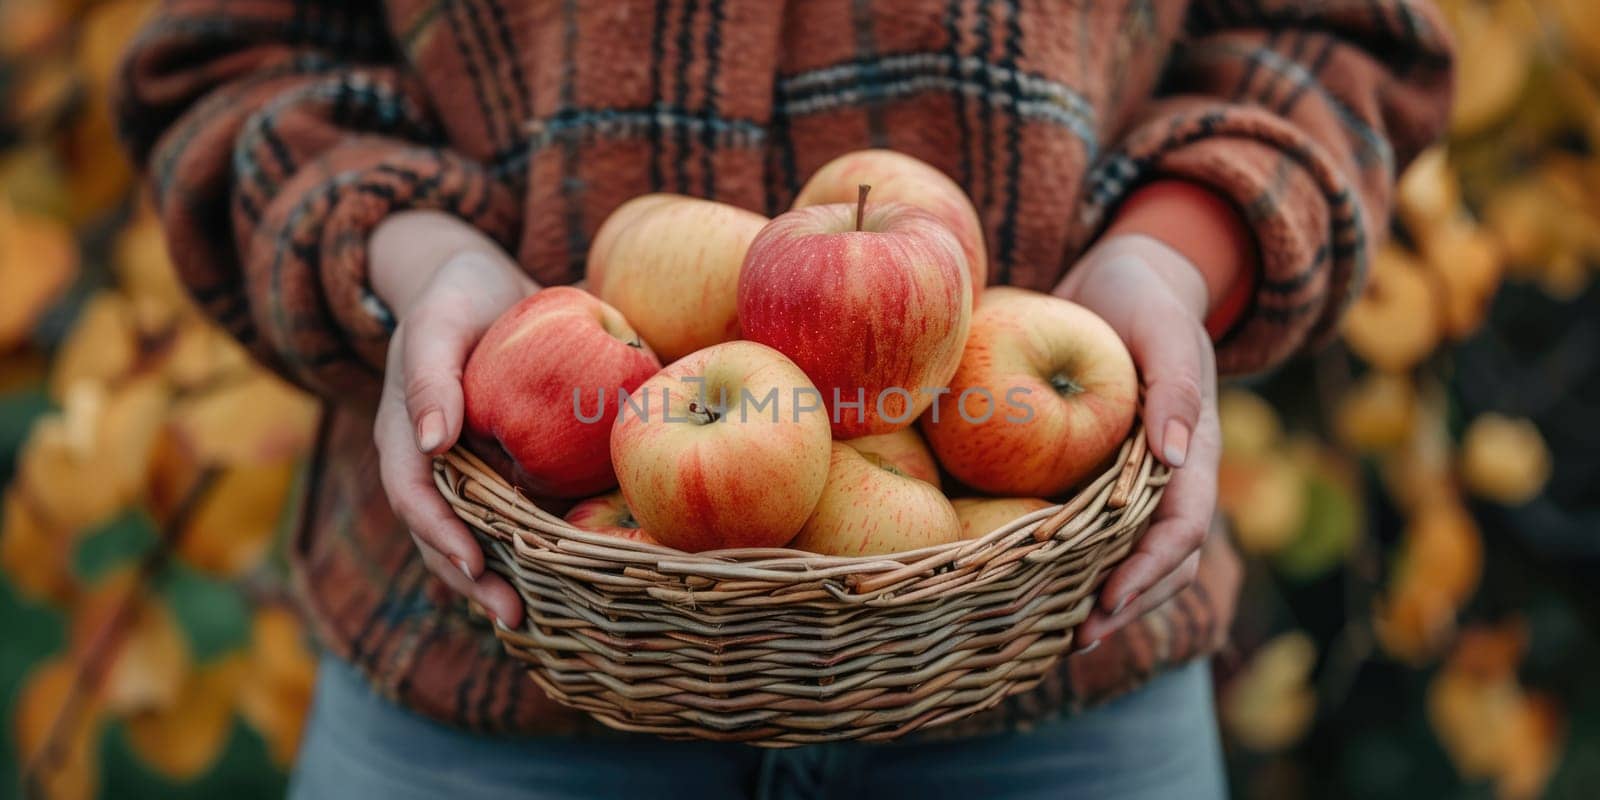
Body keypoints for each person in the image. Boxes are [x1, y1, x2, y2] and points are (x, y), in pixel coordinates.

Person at [113, 1, 1453, 797]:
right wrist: (421, 262)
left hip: (1057, 664)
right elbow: (235, 57)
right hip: (494, 651)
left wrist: (1170, 255)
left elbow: (1331, 32)